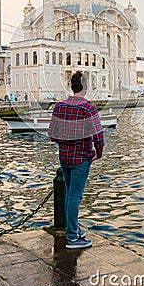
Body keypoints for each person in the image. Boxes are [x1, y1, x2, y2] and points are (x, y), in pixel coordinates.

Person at [48, 71, 104, 249]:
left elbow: (52, 134)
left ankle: (72, 229)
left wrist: (65, 142)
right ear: (85, 87)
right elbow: (98, 136)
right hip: (81, 158)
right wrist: (99, 153)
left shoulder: (59, 106)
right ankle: (72, 237)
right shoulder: (88, 108)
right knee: (74, 197)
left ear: (72, 87)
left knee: (69, 195)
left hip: (64, 157)